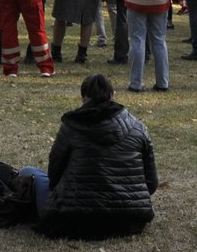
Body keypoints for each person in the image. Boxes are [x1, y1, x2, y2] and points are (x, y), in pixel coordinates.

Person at [26, 73, 158, 240]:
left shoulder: (71, 126)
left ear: (83, 98)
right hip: (130, 220)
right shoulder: (138, 127)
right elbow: (151, 184)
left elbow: (54, 177)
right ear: (112, 95)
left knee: (29, 172)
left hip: (74, 219)